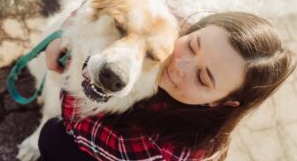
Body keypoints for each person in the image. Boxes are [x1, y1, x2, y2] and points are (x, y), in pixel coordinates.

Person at [38, 12, 296, 161]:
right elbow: (110, 1)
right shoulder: (175, 28)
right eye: (193, 45)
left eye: (203, 79)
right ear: (195, 28)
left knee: (53, 137)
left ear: (221, 102)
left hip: (93, 144)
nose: (179, 65)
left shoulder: (165, 150)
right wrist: (67, 28)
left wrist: (73, 52)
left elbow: (73, 118)